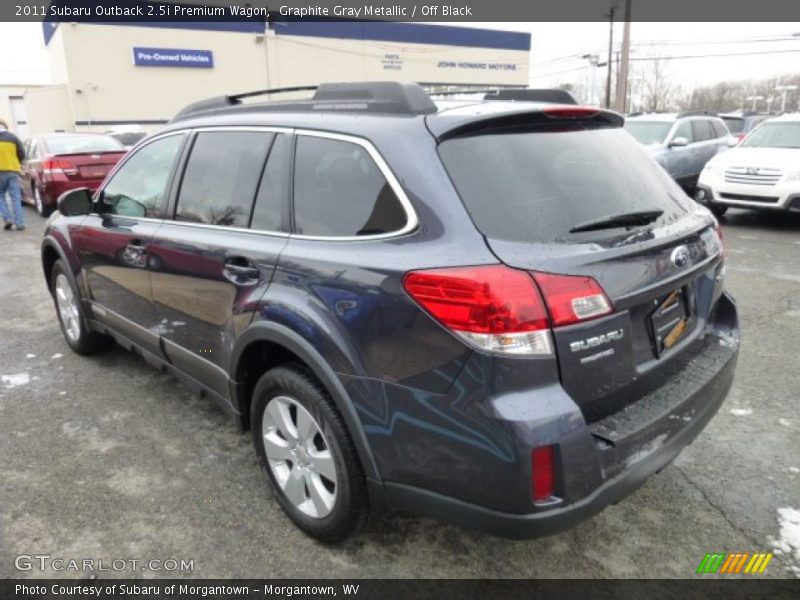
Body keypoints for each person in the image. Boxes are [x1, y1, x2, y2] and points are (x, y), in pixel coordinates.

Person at [0, 118, 26, 231]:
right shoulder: (13, 137)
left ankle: (7, 219)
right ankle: (19, 223)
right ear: (5, 126)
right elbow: (22, 153)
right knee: (16, 197)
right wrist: (18, 162)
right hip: (13, 170)